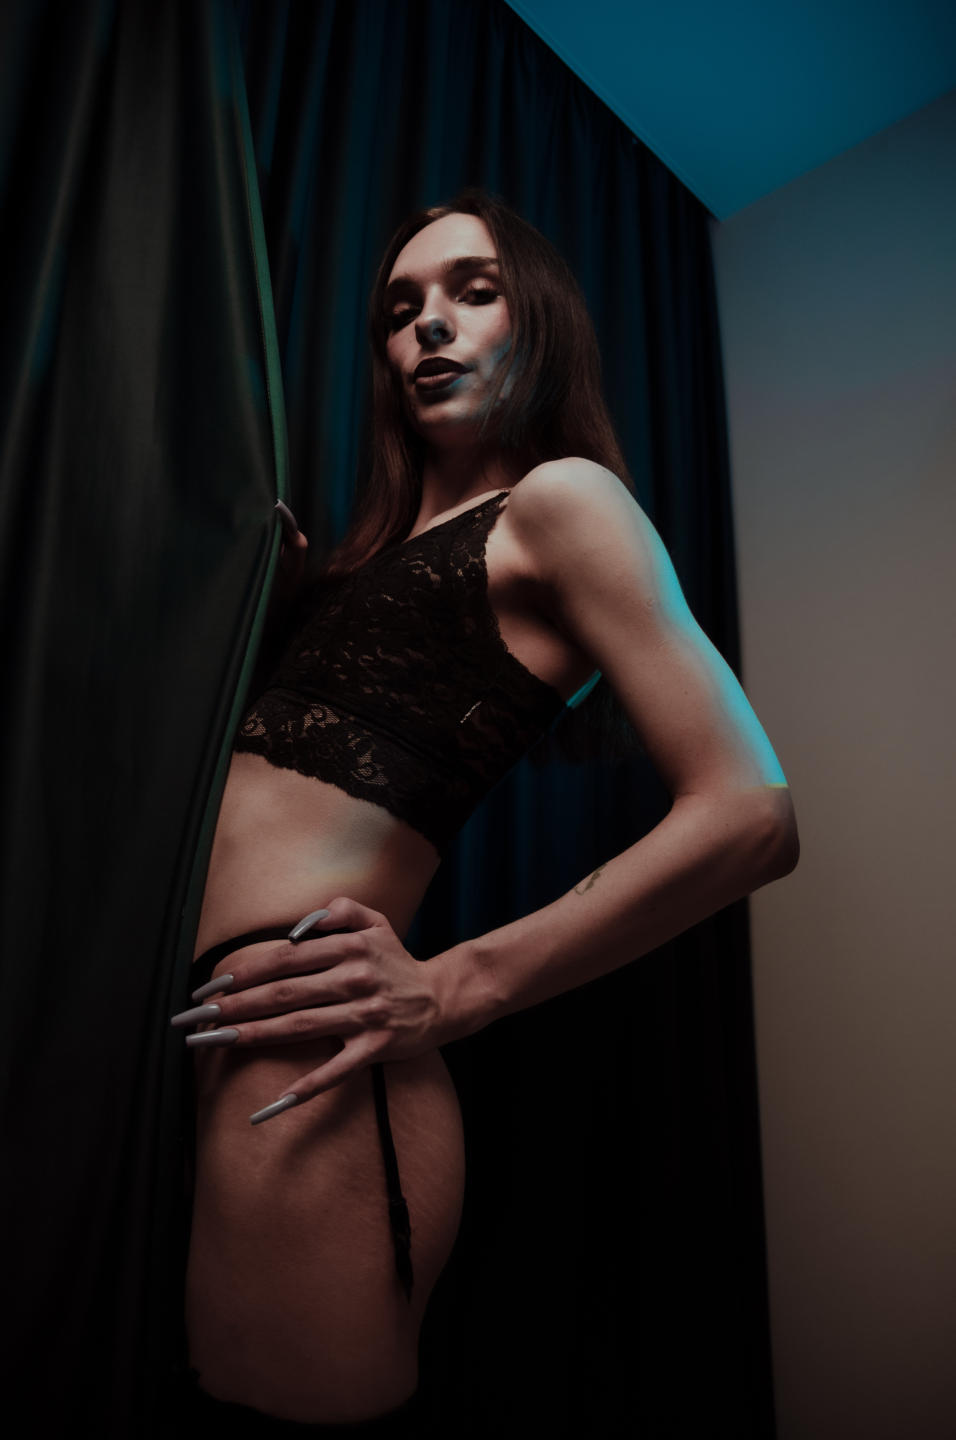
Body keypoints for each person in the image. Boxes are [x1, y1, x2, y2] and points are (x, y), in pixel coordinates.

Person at [168, 189, 799, 1433]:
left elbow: (750, 814)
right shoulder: (357, 560)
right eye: (400, 308)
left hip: (312, 1056)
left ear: (540, 321)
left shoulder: (563, 502)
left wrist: (456, 986)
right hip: (222, 1039)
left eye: (473, 290)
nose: (428, 326)